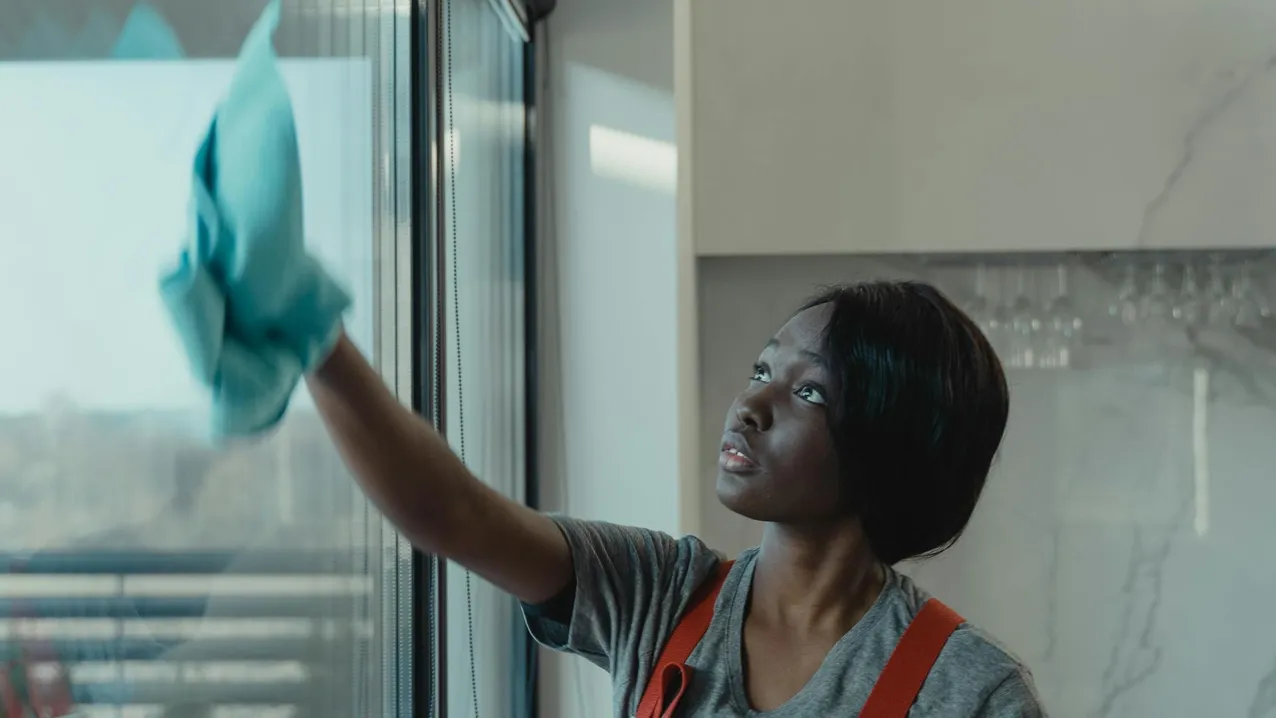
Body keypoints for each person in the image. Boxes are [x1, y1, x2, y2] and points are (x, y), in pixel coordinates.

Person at [306, 279, 1046, 717]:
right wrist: (315, 340)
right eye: (762, 370)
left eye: (809, 392)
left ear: (891, 446)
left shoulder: (970, 693)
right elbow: (453, 514)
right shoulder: (661, 594)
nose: (749, 405)